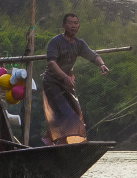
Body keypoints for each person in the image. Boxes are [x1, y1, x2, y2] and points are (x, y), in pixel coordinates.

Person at [41, 13, 109, 145]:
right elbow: (51, 63)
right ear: (63, 25)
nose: (73, 26)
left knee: (76, 113)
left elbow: (92, 55)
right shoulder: (55, 42)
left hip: (66, 84)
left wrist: (102, 64)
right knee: (65, 113)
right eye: (70, 23)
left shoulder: (79, 43)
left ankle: (52, 138)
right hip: (52, 83)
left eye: (76, 23)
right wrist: (65, 76)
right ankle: (60, 142)